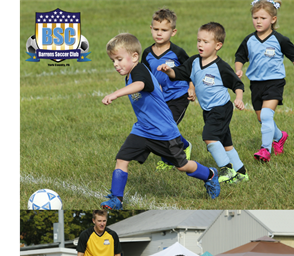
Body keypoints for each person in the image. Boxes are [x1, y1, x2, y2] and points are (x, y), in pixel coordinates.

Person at [100, 33, 220, 209]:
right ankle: (116, 199)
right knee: (121, 159)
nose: (116, 64)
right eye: (113, 61)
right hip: (142, 130)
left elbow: (141, 84)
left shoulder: (138, 70)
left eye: (119, 59)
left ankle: (210, 174)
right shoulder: (132, 74)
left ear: (134, 56)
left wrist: (115, 93)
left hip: (163, 132)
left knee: (182, 166)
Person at [159, 22, 250, 184]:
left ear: (218, 45)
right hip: (208, 110)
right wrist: (168, 70)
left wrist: (239, 98)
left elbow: (238, 84)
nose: (200, 44)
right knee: (226, 143)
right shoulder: (194, 62)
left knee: (209, 137)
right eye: (199, 40)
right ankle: (241, 173)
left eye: (205, 42)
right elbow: (178, 73)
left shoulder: (221, 67)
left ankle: (226, 169)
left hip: (221, 108)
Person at [234, 0, 294, 163]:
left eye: (263, 18)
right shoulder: (249, 40)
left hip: (274, 82)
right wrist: (238, 69)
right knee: (262, 119)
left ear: (273, 19)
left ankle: (265, 150)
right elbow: (240, 56)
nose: (258, 21)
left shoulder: (280, 39)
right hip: (255, 84)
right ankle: (280, 136)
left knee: (267, 115)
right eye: (255, 18)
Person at [140, 8, 194, 171]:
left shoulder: (177, 52)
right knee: (160, 128)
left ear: (173, 32)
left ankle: (173, 157)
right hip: (159, 99)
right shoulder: (147, 53)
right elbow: (144, 75)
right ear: (151, 29)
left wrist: (191, 87)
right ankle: (183, 146)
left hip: (178, 96)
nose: (159, 33)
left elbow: (191, 70)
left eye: (164, 30)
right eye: (156, 29)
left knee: (165, 128)